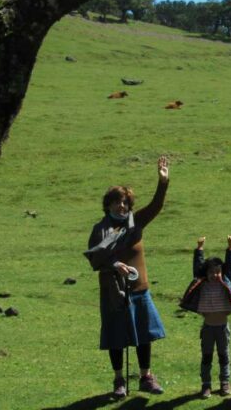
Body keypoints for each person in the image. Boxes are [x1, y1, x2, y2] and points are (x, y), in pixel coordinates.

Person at [84, 156, 170, 399]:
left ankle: (146, 377)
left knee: (144, 333)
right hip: (114, 290)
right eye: (116, 203)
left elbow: (155, 206)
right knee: (116, 335)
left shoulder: (136, 222)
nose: (121, 207)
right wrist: (114, 264)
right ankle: (119, 380)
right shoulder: (101, 229)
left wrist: (163, 182)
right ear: (108, 205)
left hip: (139, 287)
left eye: (124, 202)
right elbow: (94, 257)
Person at [179, 235, 231, 399]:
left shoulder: (225, 281)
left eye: (218, 272)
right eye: (211, 272)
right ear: (206, 273)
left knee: (224, 356)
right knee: (206, 357)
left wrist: (230, 247)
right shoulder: (202, 283)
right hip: (208, 328)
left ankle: (224, 383)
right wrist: (199, 248)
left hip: (222, 328)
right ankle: (206, 385)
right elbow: (197, 267)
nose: (215, 275)